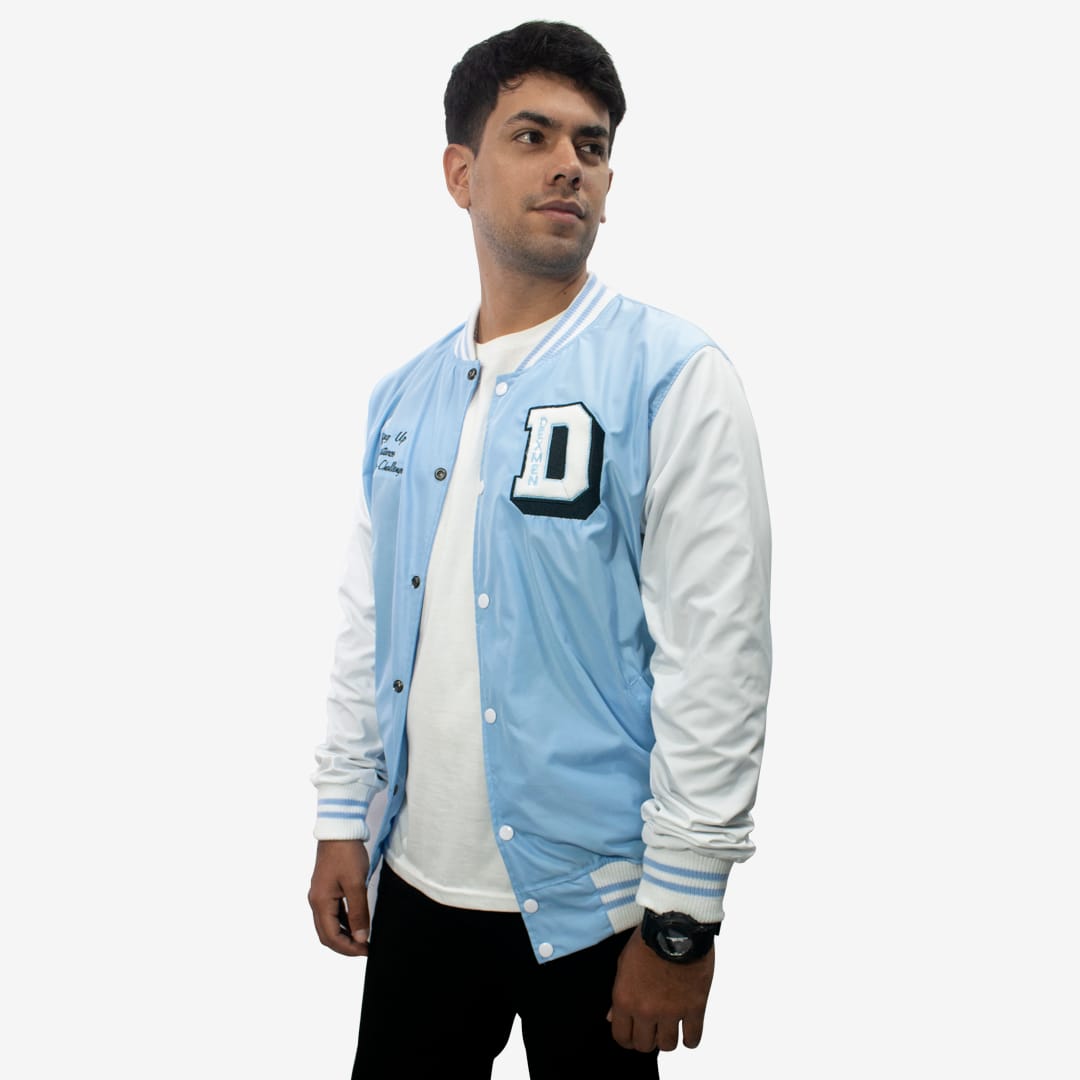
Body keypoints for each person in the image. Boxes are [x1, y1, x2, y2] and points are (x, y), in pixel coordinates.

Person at [308, 20, 771, 1078]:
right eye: (533, 135)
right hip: (417, 884)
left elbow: (717, 662)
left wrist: (682, 917)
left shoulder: (672, 376)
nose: (571, 164)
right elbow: (369, 622)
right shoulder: (405, 398)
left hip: (599, 908)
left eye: (592, 145)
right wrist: (343, 812)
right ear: (459, 173)